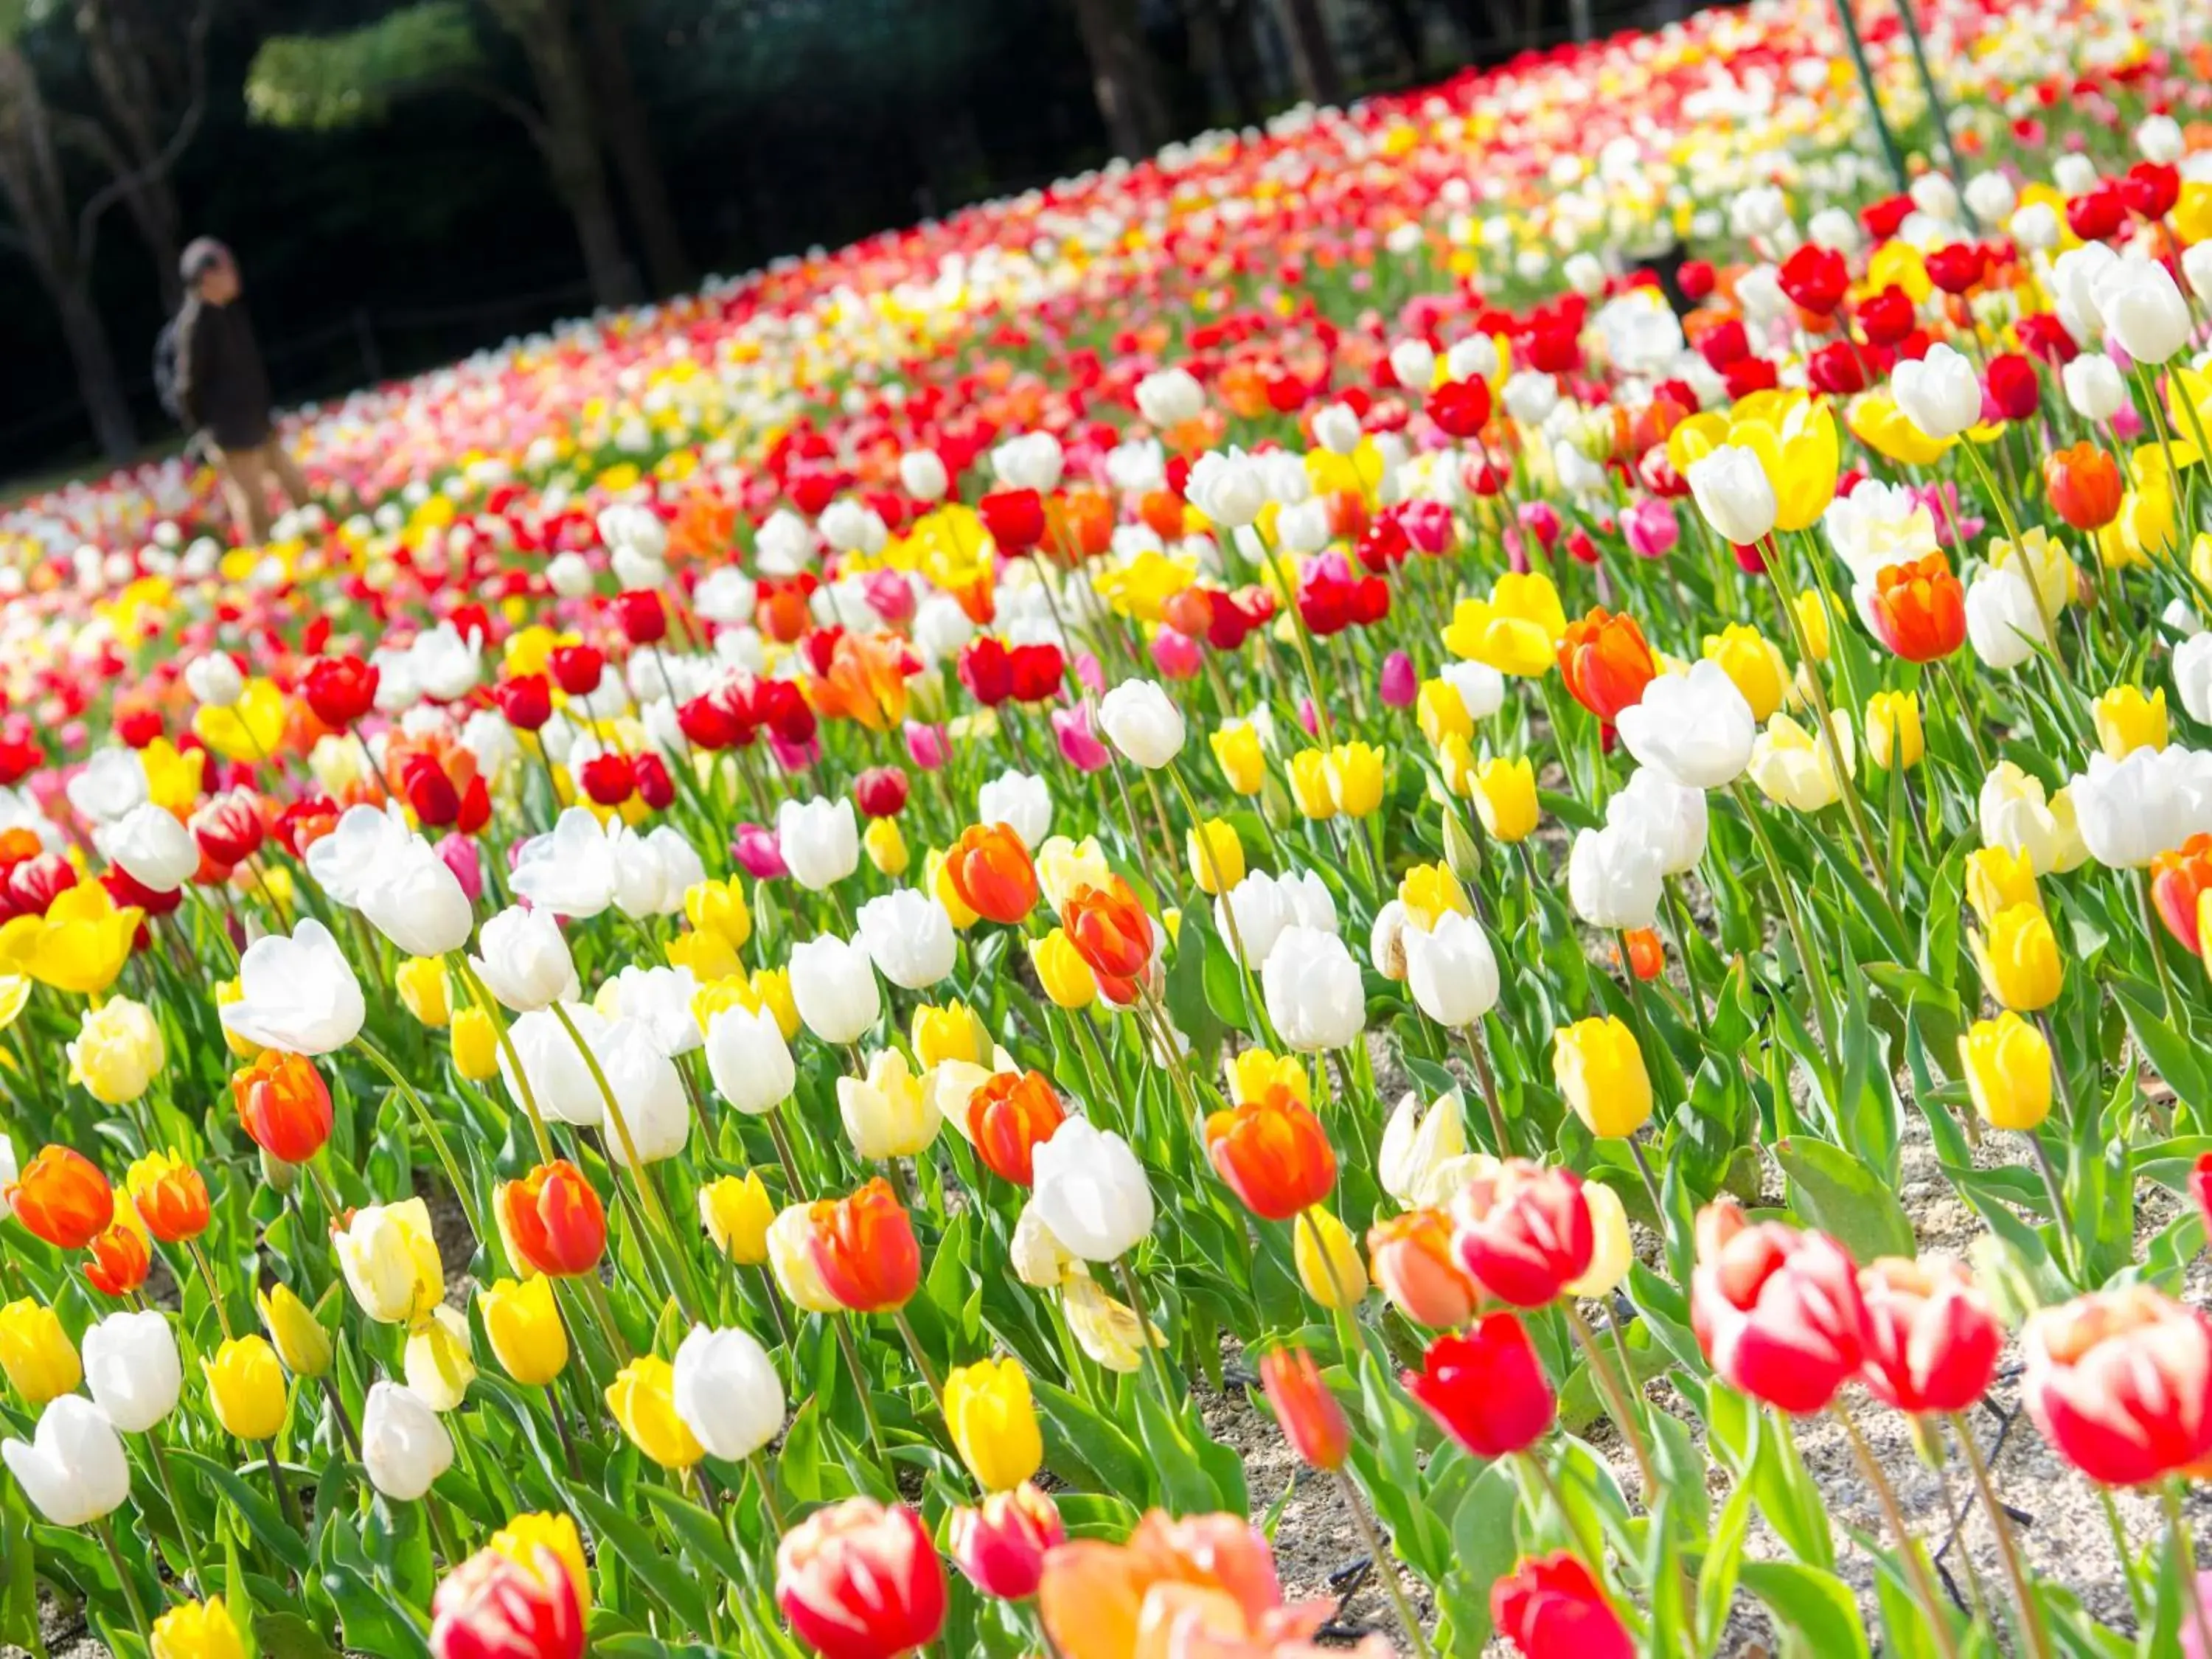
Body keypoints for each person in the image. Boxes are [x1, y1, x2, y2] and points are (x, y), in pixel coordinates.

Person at [172, 237, 310, 546]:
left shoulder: (230, 312)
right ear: (208, 276)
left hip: (258, 422)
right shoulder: (196, 324)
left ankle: (318, 543)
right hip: (230, 433)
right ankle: (262, 564)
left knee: (298, 487)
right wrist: (206, 428)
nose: (235, 274)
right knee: (253, 506)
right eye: (227, 268)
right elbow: (188, 385)